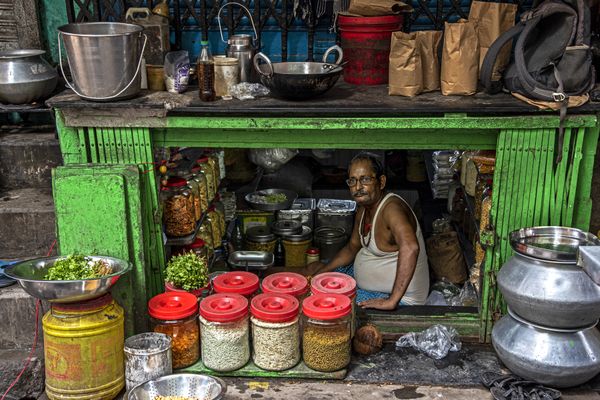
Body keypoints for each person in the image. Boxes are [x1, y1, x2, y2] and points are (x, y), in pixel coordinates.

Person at [308, 152, 429, 310]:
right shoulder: (364, 209)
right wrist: (322, 272)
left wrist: (392, 301)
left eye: (365, 179)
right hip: (372, 284)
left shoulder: (392, 209)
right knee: (319, 276)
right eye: (352, 181)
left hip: (401, 299)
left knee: (325, 299)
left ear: (381, 181)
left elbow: (411, 247)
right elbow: (352, 247)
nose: (358, 187)